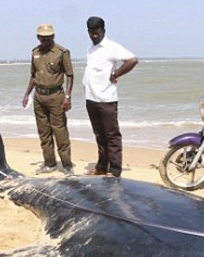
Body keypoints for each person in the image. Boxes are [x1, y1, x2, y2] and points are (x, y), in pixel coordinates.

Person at [83, 16, 138, 177]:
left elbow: (132, 60)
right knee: (99, 135)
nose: (94, 35)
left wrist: (116, 73)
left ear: (103, 31)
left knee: (112, 135)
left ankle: (114, 170)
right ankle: (101, 166)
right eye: (91, 32)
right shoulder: (90, 49)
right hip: (91, 97)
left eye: (97, 32)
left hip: (107, 99)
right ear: (88, 32)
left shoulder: (112, 47)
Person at [22, 23, 74, 175]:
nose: (46, 40)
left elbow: (69, 75)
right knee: (43, 132)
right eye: (43, 38)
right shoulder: (35, 53)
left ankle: (67, 165)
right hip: (39, 96)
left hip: (56, 96)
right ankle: (49, 163)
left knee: (60, 132)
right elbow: (34, 75)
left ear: (53, 36)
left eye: (49, 38)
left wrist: (68, 96)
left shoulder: (62, 52)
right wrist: (27, 94)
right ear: (38, 37)